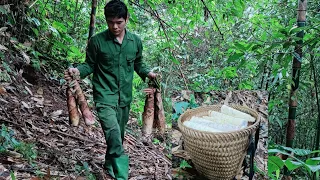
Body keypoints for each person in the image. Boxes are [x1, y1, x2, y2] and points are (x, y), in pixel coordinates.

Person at [64, 0, 156, 179]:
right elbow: (89, 65)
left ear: (126, 19)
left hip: (125, 98)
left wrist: (148, 74)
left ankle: (109, 163)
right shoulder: (97, 41)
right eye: (110, 22)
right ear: (105, 20)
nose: (114, 26)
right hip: (105, 96)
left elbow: (139, 64)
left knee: (118, 136)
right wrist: (77, 72)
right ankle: (122, 176)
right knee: (113, 134)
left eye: (119, 22)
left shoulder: (135, 42)